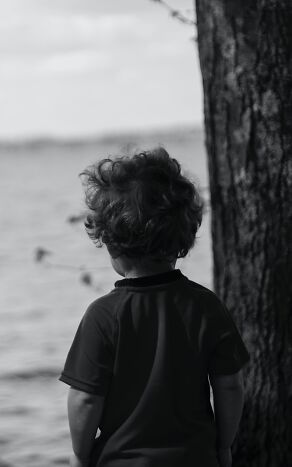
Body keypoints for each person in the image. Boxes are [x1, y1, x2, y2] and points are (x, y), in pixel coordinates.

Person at [60, 148, 249, 467]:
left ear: (111, 242)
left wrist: (80, 454)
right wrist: (224, 446)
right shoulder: (206, 307)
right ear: (183, 237)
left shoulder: (103, 316)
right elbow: (230, 384)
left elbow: (85, 399)